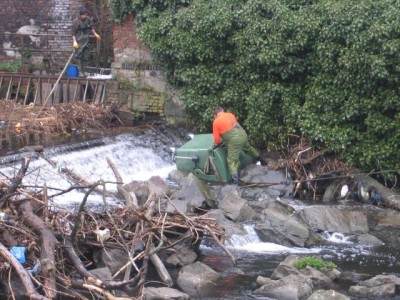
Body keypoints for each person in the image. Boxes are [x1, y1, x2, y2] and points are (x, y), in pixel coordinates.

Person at [212, 106, 266, 185]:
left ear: (215, 114)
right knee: (249, 148)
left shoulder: (216, 121)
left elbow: (216, 140)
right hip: (243, 135)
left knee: (231, 161)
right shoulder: (230, 114)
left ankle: (235, 182)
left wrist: (219, 143)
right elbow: (234, 127)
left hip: (235, 141)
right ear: (223, 110)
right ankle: (262, 161)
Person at [71, 7, 100, 76]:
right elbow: (73, 33)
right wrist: (74, 41)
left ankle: (84, 71)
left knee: (86, 56)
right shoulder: (76, 22)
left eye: (86, 14)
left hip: (86, 40)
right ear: (81, 15)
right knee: (79, 56)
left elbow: (91, 27)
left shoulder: (88, 20)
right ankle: (80, 71)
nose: (85, 16)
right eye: (84, 15)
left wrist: (95, 34)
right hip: (79, 40)